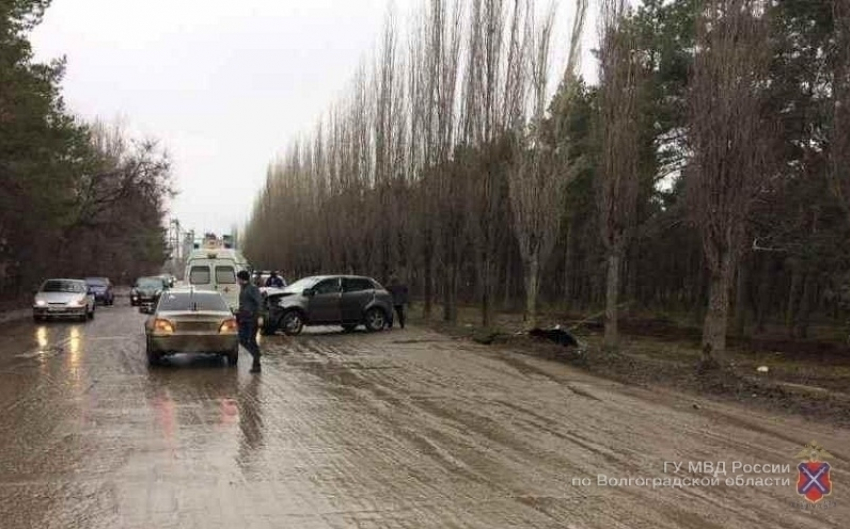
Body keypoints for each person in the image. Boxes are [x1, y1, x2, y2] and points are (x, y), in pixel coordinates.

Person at [237, 270, 263, 373]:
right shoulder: (243, 288)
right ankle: (256, 354)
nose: (237, 280)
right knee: (241, 339)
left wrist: (260, 316)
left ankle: (256, 364)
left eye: (238, 278)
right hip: (244, 319)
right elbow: (244, 303)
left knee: (251, 340)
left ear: (242, 279)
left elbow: (259, 302)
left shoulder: (252, 288)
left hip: (252, 319)